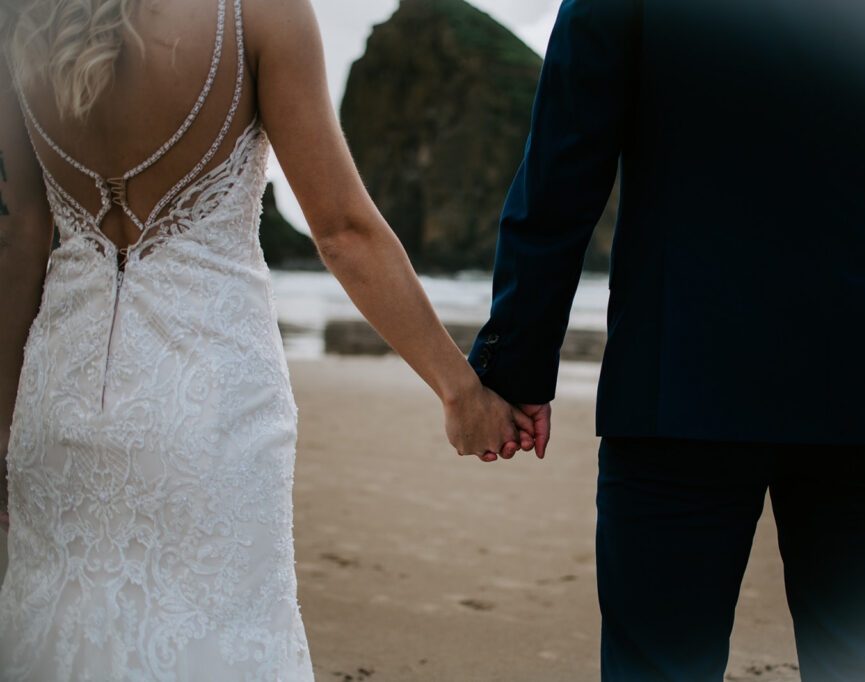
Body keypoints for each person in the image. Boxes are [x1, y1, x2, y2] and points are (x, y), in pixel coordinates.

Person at [469, 0, 865, 679]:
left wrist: (514, 370)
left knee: (660, 666)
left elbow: (562, 174)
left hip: (684, 379)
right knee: (864, 665)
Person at [0, 0, 533, 678]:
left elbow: (17, 237)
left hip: (57, 402)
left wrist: (2, 422)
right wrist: (461, 391)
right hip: (211, 410)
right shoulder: (258, 10)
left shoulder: (23, 16)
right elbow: (342, 231)